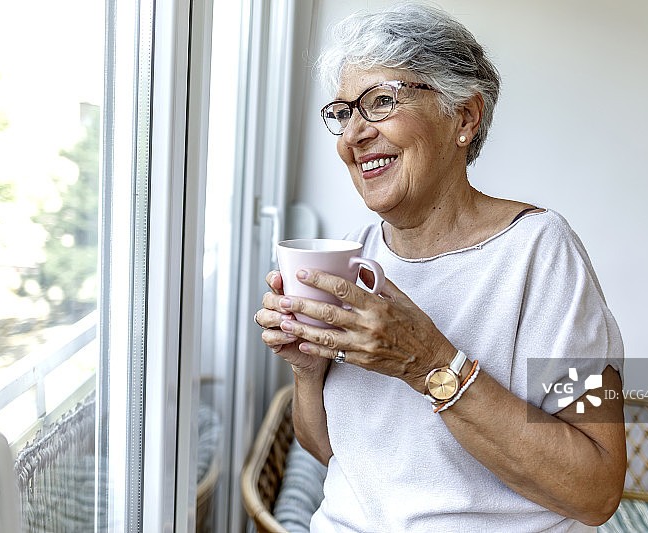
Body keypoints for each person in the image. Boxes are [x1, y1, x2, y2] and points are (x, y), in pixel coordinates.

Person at [254, 3, 625, 532]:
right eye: (342, 112)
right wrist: (307, 370)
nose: (352, 137)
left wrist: (429, 363)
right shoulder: (356, 257)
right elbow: (330, 452)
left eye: (380, 102)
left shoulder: (541, 254)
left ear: (464, 117)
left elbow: (597, 490)